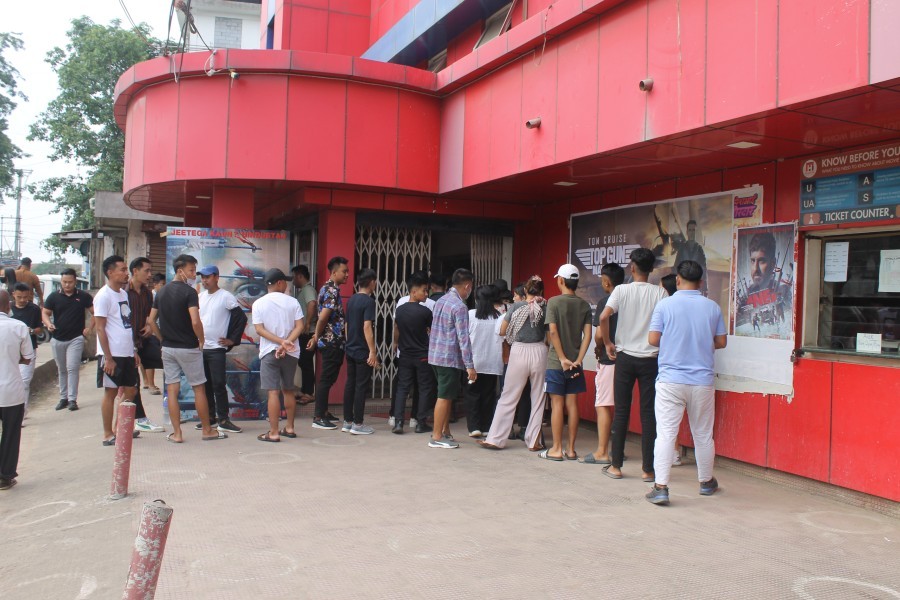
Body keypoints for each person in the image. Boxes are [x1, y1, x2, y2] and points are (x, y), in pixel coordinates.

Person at [645, 260, 727, 505]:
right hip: (702, 381)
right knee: (703, 434)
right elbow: (721, 342)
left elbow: (652, 339)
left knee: (666, 434)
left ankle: (661, 488)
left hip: (670, 380)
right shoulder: (712, 307)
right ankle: (706, 482)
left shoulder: (665, 305)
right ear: (700, 282)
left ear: (678, 280)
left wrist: (674, 342)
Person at [599, 247, 668, 480]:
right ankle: (648, 470)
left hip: (625, 358)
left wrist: (608, 342)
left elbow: (603, 317)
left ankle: (616, 465)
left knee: (621, 411)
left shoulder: (621, 290)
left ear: (632, 267)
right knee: (649, 414)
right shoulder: (661, 293)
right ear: (652, 269)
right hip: (651, 359)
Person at [149, 254, 224, 443]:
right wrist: (201, 340)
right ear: (180, 270)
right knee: (199, 388)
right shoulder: (189, 293)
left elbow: (151, 320)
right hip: (189, 348)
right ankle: (207, 430)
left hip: (168, 348)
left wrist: (161, 339)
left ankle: (177, 433)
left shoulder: (161, 292)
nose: (193, 275)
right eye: (191, 270)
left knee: (172, 390)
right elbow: (195, 320)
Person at [478, 275, 547, 451]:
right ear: (541, 291)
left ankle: (495, 439)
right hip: (539, 351)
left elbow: (502, 330)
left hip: (519, 351)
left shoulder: (516, 306)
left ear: (525, 291)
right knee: (538, 398)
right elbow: (549, 331)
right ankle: (534, 441)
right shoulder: (545, 306)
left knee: (508, 396)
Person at [538, 264, 592, 461]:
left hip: (556, 362)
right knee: (573, 404)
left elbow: (552, 331)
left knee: (557, 404)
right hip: (575, 364)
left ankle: (556, 449)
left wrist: (561, 358)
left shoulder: (553, 302)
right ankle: (571, 449)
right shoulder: (584, 305)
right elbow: (588, 335)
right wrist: (578, 359)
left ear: (560, 280)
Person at [253, 268, 305, 442]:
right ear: (280, 283)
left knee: (273, 392)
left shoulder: (258, 303)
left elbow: (259, 330)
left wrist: (279, 342)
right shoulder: (293, 302)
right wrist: (286, 342)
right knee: (288, 389)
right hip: (291, 352)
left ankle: (273, 432)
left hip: (269, 352)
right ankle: (289, 428)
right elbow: (300, 327)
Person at [94, 255, 141, 446]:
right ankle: (107, 433)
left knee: (131, 390)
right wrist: (108, 357)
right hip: (112, 355)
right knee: (111, 393)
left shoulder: (123, 294)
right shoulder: (103, 296)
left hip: (127, 352)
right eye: (122, 269)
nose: (125, 273)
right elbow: (100, 328)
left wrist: (134, 350)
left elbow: (126, 325)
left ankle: (122, 427)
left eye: (125, 269)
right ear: (110, 272)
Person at [427, 268, 477, 449]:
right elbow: (464, 338)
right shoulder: (460, 306)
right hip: (448, 358)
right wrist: (470, 365)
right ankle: (437, 435)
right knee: (444, 397)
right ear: (467, 286)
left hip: (435, 355)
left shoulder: (440, 300)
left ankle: (445, 431)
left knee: (445, 395)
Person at [582, 262, 625, 465]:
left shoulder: (606, 302)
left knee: (603, 405)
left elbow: (599, 334)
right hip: (629, 359)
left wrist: (601, 345)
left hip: (610, 360)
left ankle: (602, 452)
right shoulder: (629, 301)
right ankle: (618, 450)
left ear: (607, 282)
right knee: (621, 406)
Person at [198, 264, 244, 434]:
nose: (204, 280)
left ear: (216, 277)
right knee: (205, 385)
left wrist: (232, 340)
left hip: (217, 348)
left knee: (218, 384)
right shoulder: (200, 296)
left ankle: (223, 419)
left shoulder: (226, 296)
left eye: (207, 277)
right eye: (202, 277)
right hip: (202, 348)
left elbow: (240, 319)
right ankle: (209, 418)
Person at [43, 268, 93, 412]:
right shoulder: (53, 297)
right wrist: (48, 324)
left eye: (70, 282)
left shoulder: (83, 296)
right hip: (57, 338)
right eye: (64, 282)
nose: (67, 285)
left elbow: (95, 313)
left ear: (75, 282)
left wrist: (89, 328)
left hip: (76, 338)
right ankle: (63, 398)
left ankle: (72, 399)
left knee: (72, 368)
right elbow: (45, 313)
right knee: (62, 369)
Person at [390, 271, 435, 430]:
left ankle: (398, 422)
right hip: (422, 355)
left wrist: (396, 344)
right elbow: (433, 331)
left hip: (405, 355)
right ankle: (420, 423)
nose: (426, 293)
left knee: (402, 387)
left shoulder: (400, 310)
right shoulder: (426, 312)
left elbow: (397, 329)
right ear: (413, 291)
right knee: (423, 388)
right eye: (424, 290)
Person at [308, 256, 350, 430]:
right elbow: (324, 316)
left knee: (329, 377)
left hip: (333, 341)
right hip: (331, 341)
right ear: (334, 272)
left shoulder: (330, 289)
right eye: (344, 271)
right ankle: (318, 416)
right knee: (326, 378)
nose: (347, 274)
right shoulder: (331, 290)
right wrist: (316, 336)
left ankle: (324, 411)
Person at [126, 257, 164, 434]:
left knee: (166, 362)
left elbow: (151, 317)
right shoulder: (123, 292)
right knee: (131, 384)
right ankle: (137, 420)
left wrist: (149, 326)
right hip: (127, 344)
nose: (149, 275)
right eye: (146, 271)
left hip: (144, 340)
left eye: (150, 271)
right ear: (135, 271)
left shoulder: (148, 294)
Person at [0, 289, 34, 490]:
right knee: (11, 433)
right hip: (11, 390)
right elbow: (27, 357)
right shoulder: (18, 326)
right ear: (9, 306)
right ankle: (5, 476)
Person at [341, 268, 379, 435]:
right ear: (371, 282)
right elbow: (367, 327)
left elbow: (347, 325)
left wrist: (350, 342)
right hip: (362, 350)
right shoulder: (369, 302)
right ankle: (358, 424)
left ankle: (347, 421)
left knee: (350, 384)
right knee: (360, 387)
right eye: (375, 281)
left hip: (350, 349)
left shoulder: (352, 300)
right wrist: (372, 351)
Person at [465, 285, 504, 437]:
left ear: (477, 299)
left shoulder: (470, 315)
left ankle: (474, 427)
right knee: (488, 394)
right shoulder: (499, 317)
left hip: (473, 363)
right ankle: (487, 426)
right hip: (493, 363)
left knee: (472, 394)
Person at [10, 282, 42, 412]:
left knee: (24, 381)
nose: (23, 300)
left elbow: (40, 330)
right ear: (13, 295)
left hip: (28, 349)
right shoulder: (9, 309)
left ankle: (21, 412)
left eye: (25, 297)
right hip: (11, 349)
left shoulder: (34, 309)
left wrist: (31, 331)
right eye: (19, 297)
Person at [291, 265, 317, 405]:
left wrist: (307, 324)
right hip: (305, 332)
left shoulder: (308, 290)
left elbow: (312, 304)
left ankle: (309, 393)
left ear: (300, 276)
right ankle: (304, 389)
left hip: (308, 332)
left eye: (294, 276)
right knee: (303, 361)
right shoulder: (305, 290)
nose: (293, 280)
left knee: (306, 362)